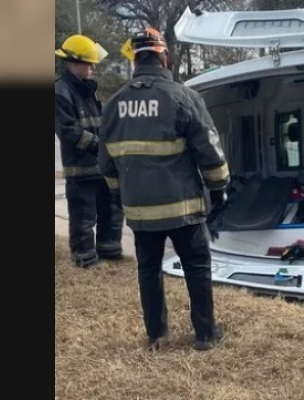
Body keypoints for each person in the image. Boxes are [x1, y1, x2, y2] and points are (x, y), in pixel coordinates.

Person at [98, 28, 231, 351]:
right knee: (196, 268)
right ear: (163, 55)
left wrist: (120, 195)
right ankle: (204, 335)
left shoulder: (114, 105)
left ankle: (157, 334)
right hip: (183, 208)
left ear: (134, 58)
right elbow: (209, 150)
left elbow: (106, 161)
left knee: (148, 271)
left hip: (140, 212)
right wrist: (220, 186)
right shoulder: (183, 97)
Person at [55, 34, 124, 268]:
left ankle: (110, 250)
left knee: (111, 211)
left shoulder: (88, 90)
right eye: (90, 63)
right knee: (84, 217)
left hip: (100, 166)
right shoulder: (60, 92)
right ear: (75, 63)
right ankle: (85, 257)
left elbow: (100, 123)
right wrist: (102, 146)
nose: (94, 68)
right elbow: (69, 132)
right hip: (81, 169)